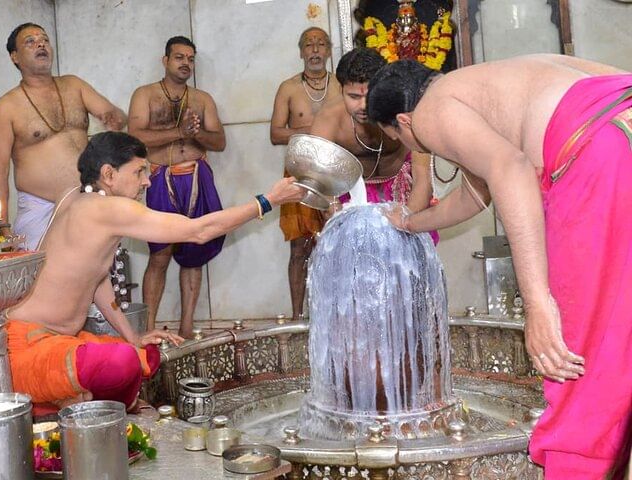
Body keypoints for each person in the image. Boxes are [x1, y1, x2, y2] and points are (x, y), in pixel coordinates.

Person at [367, 55, 632, 479]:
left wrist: (537, 305)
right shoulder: (485, 82)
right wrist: (410, 223)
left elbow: (511, 169)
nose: (412, 146)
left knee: (570, 350)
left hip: (594, 157)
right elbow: (474, 195)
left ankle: (577, 467)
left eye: (397, 137)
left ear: (403, 121)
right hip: (621, 126)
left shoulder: (430, 112)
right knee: (619, 329)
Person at [6, 131, 304, 411]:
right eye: (139, 172)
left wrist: (132, 336)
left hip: (53, 341)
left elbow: (96, 281)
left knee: (146, 355)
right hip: (29, 347)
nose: (147, 181)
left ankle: (79, 399)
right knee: (123, 362)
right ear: (109, 175)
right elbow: (199, 231)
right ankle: (84, 408)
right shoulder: (107, 209)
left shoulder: (76, 198)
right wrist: (268, 201)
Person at [0, 23, 126, 250]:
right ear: (15, 57)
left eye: (44, 39)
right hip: (41, 208)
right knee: (43, 273)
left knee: (96, 270)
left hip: (88, 200)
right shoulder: (6, 107)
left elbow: (115, 115)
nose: (41, 44)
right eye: (30, 41)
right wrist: (2, 228)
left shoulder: (74, 85)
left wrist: (115, 119)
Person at [128, 36, 226, 338]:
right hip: (161, 177)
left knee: (196, 250)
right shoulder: (145, 95)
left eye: (190, 59)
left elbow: (219, 142)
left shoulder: (203, 99)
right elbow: (136, 137)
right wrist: (179, 132)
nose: (186, 63)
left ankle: (185, 328)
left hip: (197, 176)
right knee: (160, 254)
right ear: (165, 60)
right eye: (179, 57)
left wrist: (196, 136)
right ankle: (148, 329)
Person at [311, 48, 434, 224]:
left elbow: (423, 178)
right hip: (352, 196)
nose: (363, 105)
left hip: (404, 192)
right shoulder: (328, 118)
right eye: (354, 96)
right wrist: (338, 216)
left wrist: (406, 220)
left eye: (369, 96)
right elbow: (319, 177)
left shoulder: (405, 111)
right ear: (341, 89)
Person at [270, 27, 342, 321]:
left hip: (336, 170)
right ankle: (297, 318)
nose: (315, 50)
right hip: (299, 170)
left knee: (337, 242)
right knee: (299, 246)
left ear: (329, 51)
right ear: (301, 51)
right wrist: (312, 130)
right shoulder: (288, 88)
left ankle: (334, 315)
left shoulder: (341, 85)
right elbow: (276, 134)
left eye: (321, 44)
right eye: (309, 45)